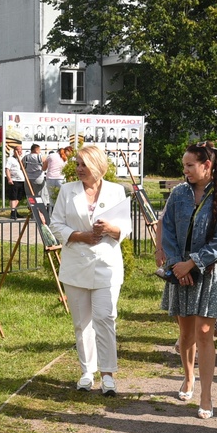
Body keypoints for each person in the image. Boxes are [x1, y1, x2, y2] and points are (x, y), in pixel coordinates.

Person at [51, 145, 132, 395]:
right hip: (76, 265)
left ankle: (108, 374)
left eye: (83, 165)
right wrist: (79, 236)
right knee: (82, 323)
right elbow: (55, 225)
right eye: (77, 164)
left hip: (106, 266)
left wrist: (110, 229)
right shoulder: (67, 190)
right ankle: (87, 371)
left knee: (105, 318)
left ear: (97, 166)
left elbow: (125, 229)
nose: (78, 169)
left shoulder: (117, 191)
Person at [159, 144, 217, 415]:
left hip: (210, 272)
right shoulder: (178, 194)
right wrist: (178, 265)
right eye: (184, 165)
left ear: (207, 166)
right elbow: (168, 230)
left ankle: (206, 395)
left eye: (190, 165)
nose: (185, 170)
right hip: (181, 272)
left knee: (203, 333)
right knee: (186, 333)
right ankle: (188, 377)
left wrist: (194, 263)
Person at [4, 145, 25, 219]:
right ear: (14, 151)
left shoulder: (22, 158)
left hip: (22, 180)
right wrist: (9, 179)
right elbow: (7, 169)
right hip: (14, 180)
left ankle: (15, 211)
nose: (19, 151)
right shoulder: (10, 159)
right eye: (17, 150)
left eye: (20, 150)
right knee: (13, 197)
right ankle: (13, 213)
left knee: (19, 197)